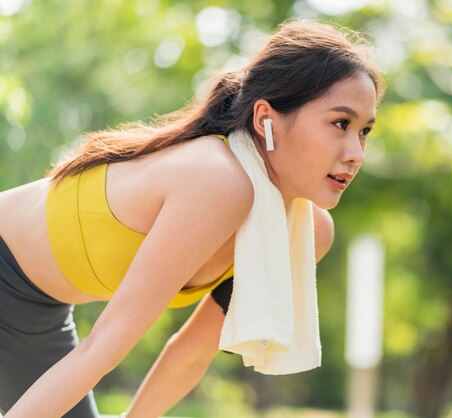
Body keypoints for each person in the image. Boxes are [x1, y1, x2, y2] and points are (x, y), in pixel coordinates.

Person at [0, 18, 384, 417]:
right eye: (340, 123)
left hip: (41, 315)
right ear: (266, 119)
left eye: (364, 131)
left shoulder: (306, 233)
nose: (356, 152)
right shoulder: (217, 181)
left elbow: (189, 355)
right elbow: (105, 345)